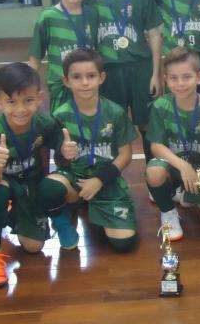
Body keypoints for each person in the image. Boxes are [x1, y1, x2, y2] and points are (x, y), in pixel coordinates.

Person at [0, 63, 68, 287]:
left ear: (39, 98)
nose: (20, 109)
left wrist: (66, 152)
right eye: (11, 102)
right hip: (0, 180)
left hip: (29, 181)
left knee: (34, 247)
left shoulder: (44, 123)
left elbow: (62, 157)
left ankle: (9, 213)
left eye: (28, 100)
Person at [41, 48, 139, 253]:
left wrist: (100, 180)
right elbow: (59, 160)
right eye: (77, 77)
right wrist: (63, 155)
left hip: (105, 179)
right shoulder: (60, 115)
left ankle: (94, 202)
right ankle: (70, 208)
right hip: (74, 177)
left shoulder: (115, 112)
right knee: (50, 187)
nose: (84, 82)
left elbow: (125, 154)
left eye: (91, 76)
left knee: (124, 244)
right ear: (66, 80)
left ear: (101, 78)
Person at [87, 0, 163, 164]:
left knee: (147, 123)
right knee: (111, 124)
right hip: (108, 72)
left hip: (140, 69)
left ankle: (155, 178)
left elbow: (154, 35)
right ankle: (110, 178)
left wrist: (156, 73)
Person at [146, 47, 200, 240]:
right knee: (154, 172)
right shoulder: (160, 106)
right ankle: (168, 212)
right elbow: (156, 146)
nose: (180, 83)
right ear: (166, 80)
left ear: (199, 77)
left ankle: (187, 194)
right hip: (175, 167)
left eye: (186, 77)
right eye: (174, 78)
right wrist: (183, 166)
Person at [28, 0, 98, 113]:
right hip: (60, 87)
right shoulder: (48, 17)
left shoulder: (92, 14)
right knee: (60, 131)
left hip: (87, 84)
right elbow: (35, 58)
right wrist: (29, 90)